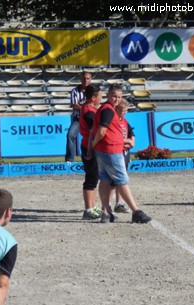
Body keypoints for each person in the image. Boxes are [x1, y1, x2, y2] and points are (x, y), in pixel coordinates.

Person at [91, 84, 152, 224]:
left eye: (119, 97)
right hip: (110, 149)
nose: (116, 99)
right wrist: (94, 144)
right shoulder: (108, 110)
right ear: (108, 95)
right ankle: (136, 211)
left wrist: (95, 146)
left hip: (105, 149)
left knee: (105, 179)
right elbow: (102, 130)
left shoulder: (107, 109)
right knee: (122, 180)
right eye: (114, 96)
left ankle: (106, 213)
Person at [79, 84, 103, 220]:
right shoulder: (89, 111)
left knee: (94, 178)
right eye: (100, 95)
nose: (101, 98)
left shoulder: (90, 109)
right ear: (93, 97)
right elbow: (91, 132)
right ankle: (88, 209)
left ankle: (92, 207)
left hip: (92, 147)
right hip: (90, 147)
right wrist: (89, 150)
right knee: (91, 178)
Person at [113, 99, 135, 214]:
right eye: (123, 111)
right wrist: (125, 141)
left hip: (125, 152)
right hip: (117, 151)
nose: (125, 113)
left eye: (126, 111)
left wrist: (132, 141)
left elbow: (131, 133)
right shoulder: (114, 121)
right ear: (117, 110)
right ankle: (106, 206)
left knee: (123, 177)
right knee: (116, 179)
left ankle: (119, 203)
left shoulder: (125, 121)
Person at [65, 71, 92, 162]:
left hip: (90, 118)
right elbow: (74, 105)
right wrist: (86, 108)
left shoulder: (93, 90)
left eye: (88, 78)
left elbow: (95, 104)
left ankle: (94, 157)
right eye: (84, 78)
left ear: (90, 80)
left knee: (93, 137)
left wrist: (83, 107)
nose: (86, 80)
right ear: (81, 79)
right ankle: (70, 159)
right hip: (78, 119)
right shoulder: (75, 91)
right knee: (70, 135)